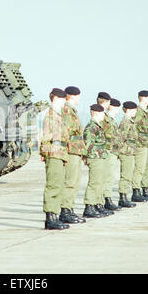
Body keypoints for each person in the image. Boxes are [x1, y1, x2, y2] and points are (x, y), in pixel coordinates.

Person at [40, 88, 71, 230]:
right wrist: (44, 152)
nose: (65, 102)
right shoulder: (51, 115)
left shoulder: (58, 115)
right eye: (64, 99)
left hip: (60, 153)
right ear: (57, 99)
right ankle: (50, 218)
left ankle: (55, 216)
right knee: (53, 185)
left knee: (58, 185)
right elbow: (45, 136)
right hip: (54, 153)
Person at [60, 86, 86, 224]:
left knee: (75, 182)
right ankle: (65, 211)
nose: (79, 99)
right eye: (78, 96)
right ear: (72, 96)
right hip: (71, 150)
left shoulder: (71, 110)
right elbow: (67, 132)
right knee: (70, 182)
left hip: (76, 150)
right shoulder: (66, 109)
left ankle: (69, 209)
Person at [82, 104, 110, 218]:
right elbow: (88, 144)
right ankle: (89, 206)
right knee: (94, 182)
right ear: (97, 113)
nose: (104, 115)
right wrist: (87, 157)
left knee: (100, 181)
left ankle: (97, 204)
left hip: (100, 156)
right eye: (103, 113)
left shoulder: (98, 126)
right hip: (95, 157)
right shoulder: (91, 127)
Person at [132, 90, 148, 202]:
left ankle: (140, 190)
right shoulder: (139, 112)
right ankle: (136, 191)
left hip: (144, 143)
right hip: (140, 144)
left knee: (142, 167)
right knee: (139, 168)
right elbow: (134, 127)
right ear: (143, 98)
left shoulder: (143, 111)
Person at [117, 101, 139, 208]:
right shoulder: (126, 121)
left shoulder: (130, 121)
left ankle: (124, 196)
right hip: (126, 152)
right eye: (134, 110)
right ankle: (122, 197)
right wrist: (124, 150)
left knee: (128, 175)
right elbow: (121, 138)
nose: (136, 112)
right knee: (126, 175)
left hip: (130, 152)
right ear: (128, 110)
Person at [102, 98, 122, 211]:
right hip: (108, 150)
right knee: (107, 176)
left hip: (113, 151)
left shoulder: (112, 120)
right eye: (117, 107)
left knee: (110, 176)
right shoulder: (106, 119)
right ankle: (105, 199)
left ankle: (107, 198)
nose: (118, 110)